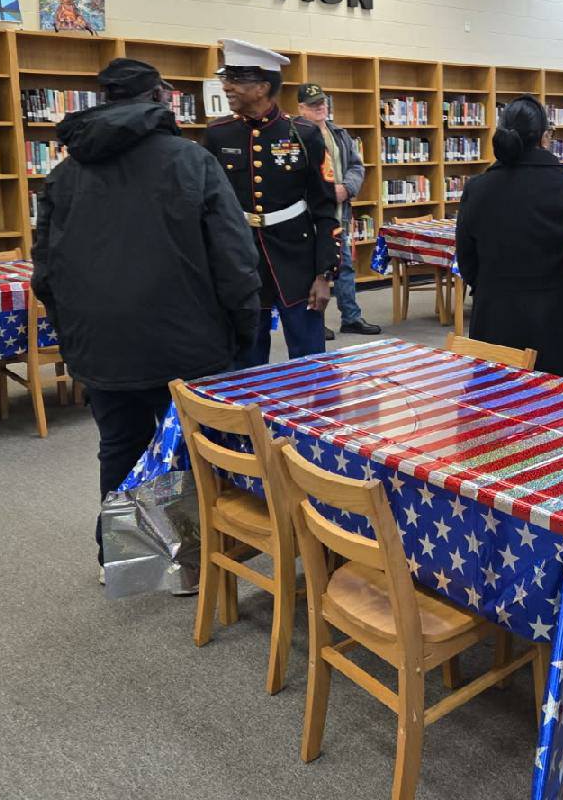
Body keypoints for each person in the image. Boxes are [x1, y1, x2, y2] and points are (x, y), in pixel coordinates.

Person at [31, 58, 261, 570]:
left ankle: (123, 557)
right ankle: (193, 559)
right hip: (189, 338)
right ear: (160, 97)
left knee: (119, 443)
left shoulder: (64, 174)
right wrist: (244, 328)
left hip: (99, 340)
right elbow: (235, 258)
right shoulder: (192, 161)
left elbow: (45, 269)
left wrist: (73, 335)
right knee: (196, 447)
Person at [456, 96, 563, 383]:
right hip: (557, 324)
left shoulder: (477, 189)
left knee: (495, 402)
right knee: (561, 404)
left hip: (494, 321)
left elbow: (467, 262)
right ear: (545, 137)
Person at [204, 40, 340, 366]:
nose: (226, 86)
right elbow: (207, 207)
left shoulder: (303, 134)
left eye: (235, 79)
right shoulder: (218, 134)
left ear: (263, 87)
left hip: (297, 259)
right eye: (226, 78)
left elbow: (324, 209)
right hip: (241, 260)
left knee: (310, 360)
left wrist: (325, 274)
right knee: (246, 358)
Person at [293, 82, 380, 337]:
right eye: (313, 105)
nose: (320, 107)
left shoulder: (339, 133)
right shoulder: (295, 136)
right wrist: (324, 194)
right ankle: (314, 322)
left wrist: (347, 188)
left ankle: (351, 317)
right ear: (301, 108)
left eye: (322, 102)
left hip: (339, 213)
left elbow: (356, 166)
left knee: (344, 266)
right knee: (312, 271)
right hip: (309, 216)